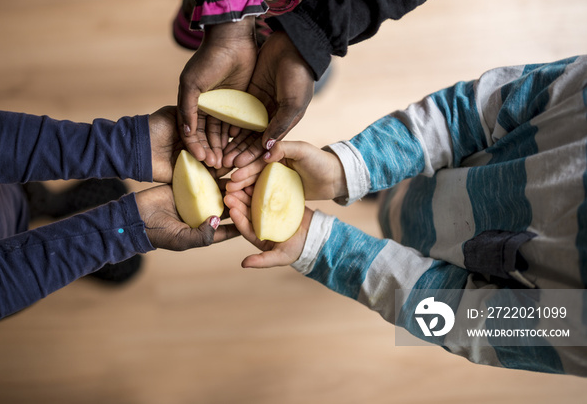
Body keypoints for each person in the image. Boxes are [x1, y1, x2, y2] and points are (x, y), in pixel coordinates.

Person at [225, 55, 587, 375]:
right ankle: (380, 186)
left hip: (458, 263)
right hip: (456, 165)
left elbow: (461, 320)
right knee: (396, 189)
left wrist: (324, 248)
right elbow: (472, 113)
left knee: (396, 218)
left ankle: (383, 192)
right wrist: (350, 168)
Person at [0, 97, 237, 383]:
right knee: (6, 227)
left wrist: (128, 147)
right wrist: (121, 231)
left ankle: (41, 205)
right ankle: (45, 213)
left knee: (6, 202)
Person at [171, 0, 521, 169]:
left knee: (274, 49)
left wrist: (311, 38)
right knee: (201, 31)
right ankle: (218, 33)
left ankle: (274, 46)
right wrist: (226, 18)